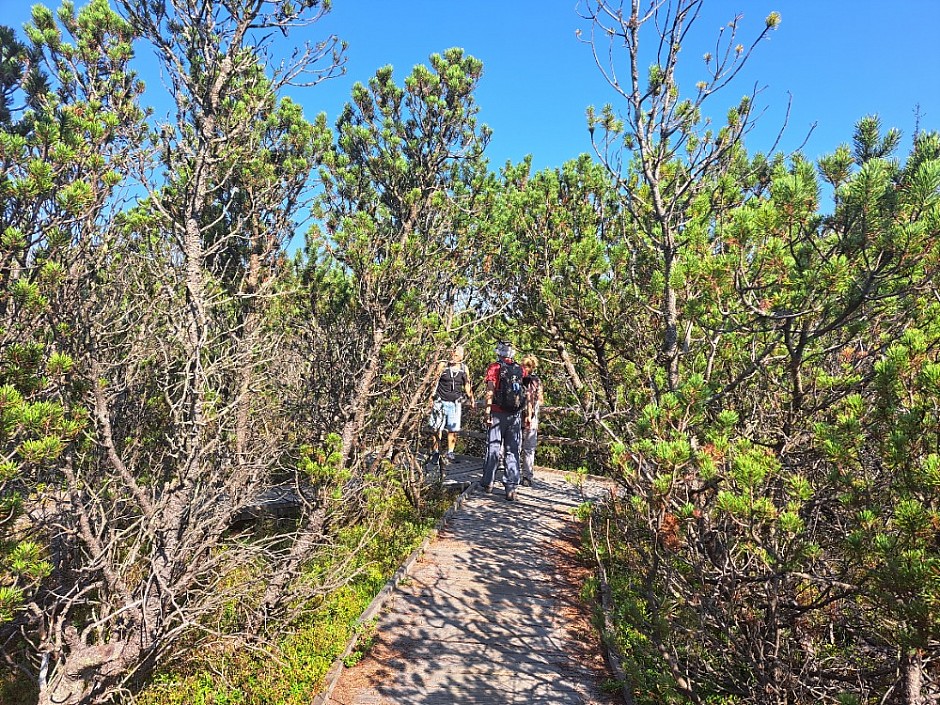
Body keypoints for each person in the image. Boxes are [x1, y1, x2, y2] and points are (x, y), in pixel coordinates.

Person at [480, 341, 526, 500]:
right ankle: (511, 487)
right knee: (512, 449)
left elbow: (490, 390)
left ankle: (488, 482)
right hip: (515, 414)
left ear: (499, 353)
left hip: (497, 412)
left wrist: (487, 411)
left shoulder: (494, 368)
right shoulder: (520, 369)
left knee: (493, 447)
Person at [429, 345, 474, 463]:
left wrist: (471, 398)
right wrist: (430, 397)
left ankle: (450, 452)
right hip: (440, 401)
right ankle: (436, 452)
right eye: (453, 354)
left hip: (455, 403)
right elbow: (435, 381)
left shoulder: (464, 368)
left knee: (453, 429)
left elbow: (467, 384)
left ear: (461, 357)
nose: (454, 357)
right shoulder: (443, 365)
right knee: (436, 428)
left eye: (457, 355)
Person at [520, 354, 544, 487]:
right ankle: (527, 476)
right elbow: (541, 399)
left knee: (515, 447)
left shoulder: (518, 379)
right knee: (529, 448)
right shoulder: (537, 381)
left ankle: (514, 473)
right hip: (531, 418)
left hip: (518, 416)